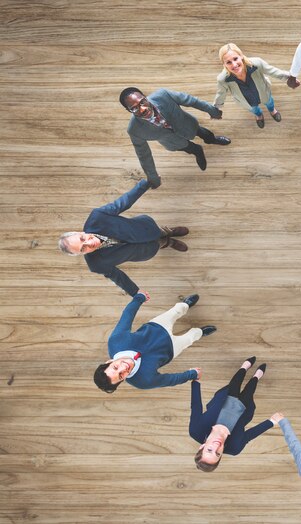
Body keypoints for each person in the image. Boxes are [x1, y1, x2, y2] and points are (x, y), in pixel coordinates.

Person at [58, 179, 189, 296]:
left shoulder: (97, 216)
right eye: (83, 249)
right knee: (159, 244)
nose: (88, 243)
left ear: (80, 232)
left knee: (159, 232)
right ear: (81, 254)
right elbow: (117, 276)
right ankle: (169, 242)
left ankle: (169, 231)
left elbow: (124, 202)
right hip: (144, 252)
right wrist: (135, 291)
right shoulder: (96, 265)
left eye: (82, 239)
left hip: (144, 227)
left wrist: (145, 183)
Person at [93, 292, 215, 393]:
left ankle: (185, 305)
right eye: (121, 375)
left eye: (115, 367)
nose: (124, 368)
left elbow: (127, 316)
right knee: (191, 337)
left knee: (175, 311)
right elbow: (169, 380)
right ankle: (200, 332)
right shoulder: (142, 381)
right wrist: (191, 374)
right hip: (171, 349)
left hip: (157, 326)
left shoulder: (116, 341)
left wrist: (139, 298)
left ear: (109, 361)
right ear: (122, 380)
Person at [120, 87, 231, 188]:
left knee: (205, 134)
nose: (143, 109)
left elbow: (192, 101)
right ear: (128, 110)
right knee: (192, 149)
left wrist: (213, 111)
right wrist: (153, 178)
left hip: (189, 125)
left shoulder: (163, 95)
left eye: (143, 102)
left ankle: (212, 140)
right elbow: (144, 155)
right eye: (134, 108)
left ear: (145, 96)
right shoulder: (134, 130)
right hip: (173, 142)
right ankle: (199, 152)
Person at [190, 357, 272, 472]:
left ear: (202, 447)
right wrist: (271, 422)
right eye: (217, 454)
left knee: (235, 383)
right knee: (249, 391)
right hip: (243, 409)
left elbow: (196, 406)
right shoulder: (234, 448)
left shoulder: (195, 430)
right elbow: (250, 435)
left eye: (209, 450)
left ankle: (244, 367)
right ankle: (256, 377)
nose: (216, 447)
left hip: (225, 399)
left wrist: (196, 381)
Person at [215, 43, 299, 129]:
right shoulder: (222, 79)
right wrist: (216, 109)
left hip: (263, 92)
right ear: (224, 64)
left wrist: (290, 77)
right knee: (254, 110)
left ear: (241, 56)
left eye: (235, 59)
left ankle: (272, 110)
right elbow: (221, 94)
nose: (234, 65)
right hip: (247, 101)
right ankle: (259, 115)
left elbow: (272, 71)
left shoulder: (256, 63)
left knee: (269, 102)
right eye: (228, 62)